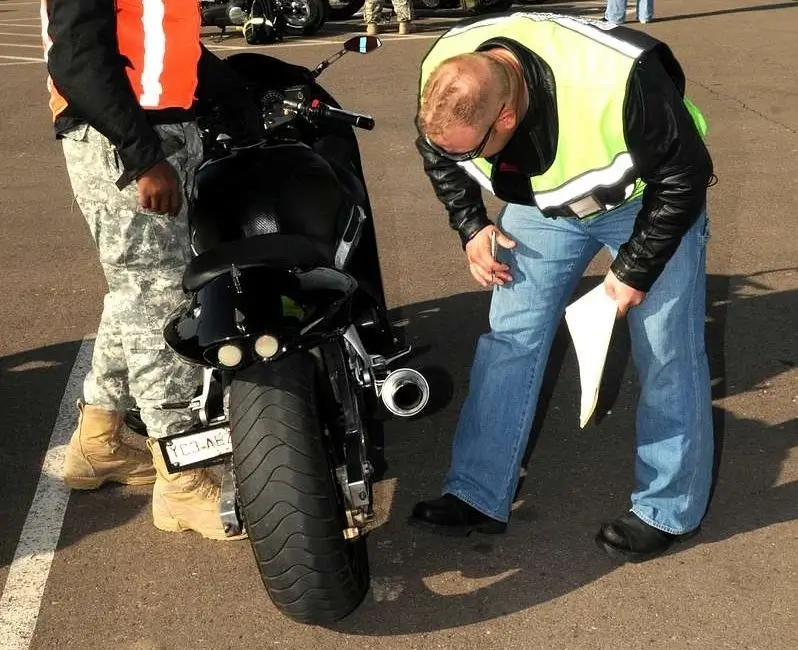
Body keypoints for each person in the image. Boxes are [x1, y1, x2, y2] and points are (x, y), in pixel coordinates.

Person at [411, 12, 715, 563]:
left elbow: (684, 175)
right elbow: (438, 149)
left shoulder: (619, 77)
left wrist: (633, 272)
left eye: (471, 150)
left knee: (667, 351)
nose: (462, 161)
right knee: (510, 339)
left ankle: (668, 509)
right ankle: (478, 493)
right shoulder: (447, 72)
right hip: (545, 207)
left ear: (505, 115)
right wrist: (470, 224)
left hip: (647, 200)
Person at [43, 0, 259, 540]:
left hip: (158, 130)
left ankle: (98, 442)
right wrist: (143, 156)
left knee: (136, 293)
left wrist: (234, 94)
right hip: (120, 140)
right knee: (158, 302)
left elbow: (164, 42)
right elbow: (76, 56)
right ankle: (182, 482)